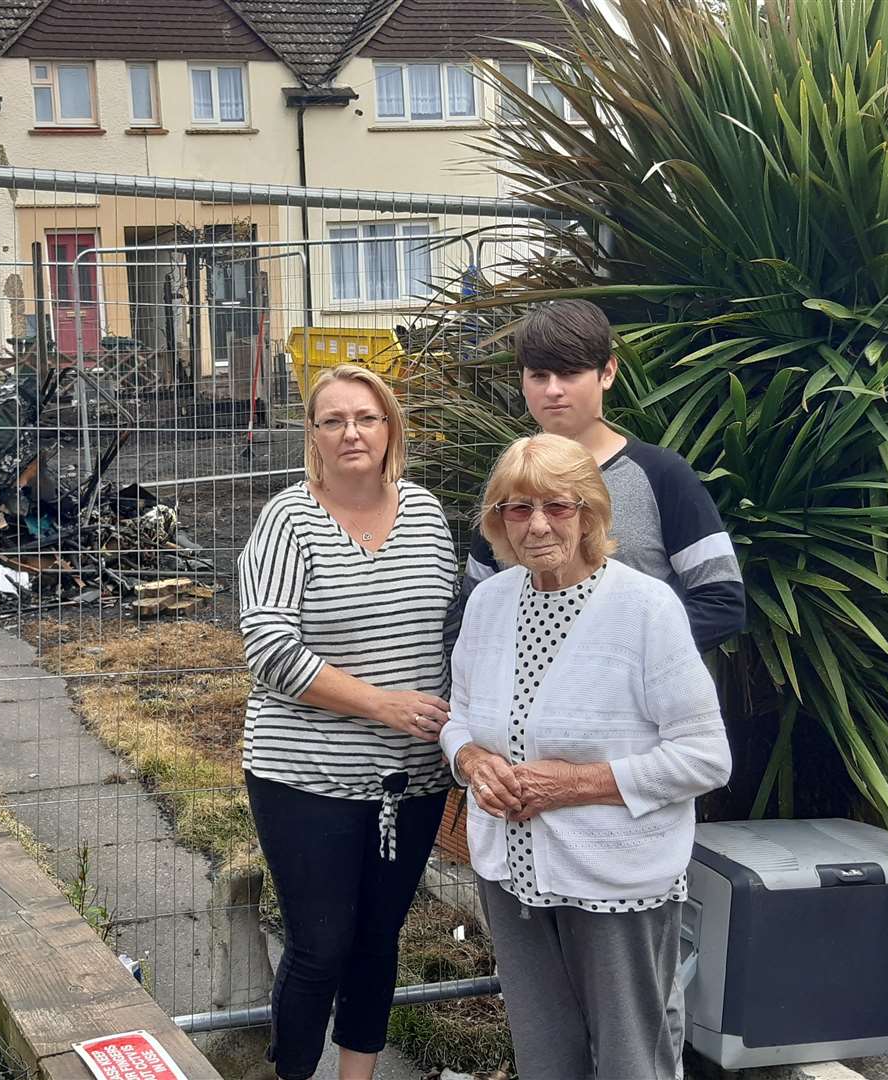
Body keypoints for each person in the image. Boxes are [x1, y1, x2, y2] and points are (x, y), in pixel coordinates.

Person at [441, 433, 731, 1080]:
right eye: (517, 509)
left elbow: (706, 757)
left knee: (635, 1059)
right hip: (509, 877)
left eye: (558, 506)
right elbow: (457, 719)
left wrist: (576, 783)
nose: (537, 525)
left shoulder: (646, 608)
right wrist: (468, 761)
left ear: (591, 513)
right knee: (544, 1058)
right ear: (498, 522)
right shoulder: (487, 603)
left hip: (614, 881)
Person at [238, 364, 457, 1080]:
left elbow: (451, 628)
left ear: (390, 425)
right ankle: (293, 1072)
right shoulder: (289, 519)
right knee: (320, 945)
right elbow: (269, 648)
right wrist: (382, 702)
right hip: (306, 776)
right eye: (331, 421)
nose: (350, 432)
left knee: (376, 938)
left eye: (365, 417)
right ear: (314, 437)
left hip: (411, 779)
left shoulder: (425, 512)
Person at [465, 299, 745, 650]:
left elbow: (721, 599)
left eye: (569, 373)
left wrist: (624, 655)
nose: (553, 389)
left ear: (608, 372)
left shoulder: (662, 475)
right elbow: (476, 603)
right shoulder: (505, 482)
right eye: (539, 375)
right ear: (522, 382)